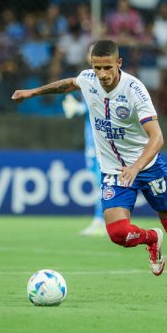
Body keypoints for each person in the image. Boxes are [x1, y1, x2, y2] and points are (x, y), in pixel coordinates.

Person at [12, 39, 167, 305]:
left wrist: (136, 167)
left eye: (107, 67)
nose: (102, 74)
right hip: (114, 172)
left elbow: (157, 138)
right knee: (118, 233)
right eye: (97, 68)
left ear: (119, 63)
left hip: (148, 167)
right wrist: (33, 92)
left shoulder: (135, 90)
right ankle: (151, 238)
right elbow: (69, 83)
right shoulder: (89, 80)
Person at [62, 92, 105, 237]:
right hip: (91, 145)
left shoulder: (99, 90)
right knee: (98, 184)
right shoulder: (87, 89)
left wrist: (79, 108)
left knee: (102, 185)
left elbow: (98, 107)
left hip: (101, 146)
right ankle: (101, 221)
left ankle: (100, 221)